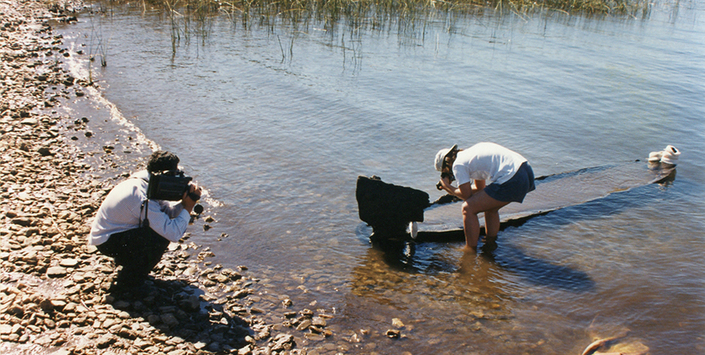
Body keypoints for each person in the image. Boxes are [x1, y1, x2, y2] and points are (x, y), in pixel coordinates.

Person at [88, 151, 202, 289]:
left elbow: (167, 212)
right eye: (175, 174)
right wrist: (189, 207)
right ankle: (128, 283)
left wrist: (185, 202)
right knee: (159, 237)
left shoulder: (146, 181)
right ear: (166, 174)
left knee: (156, 230)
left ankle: (129, 263)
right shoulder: (141, 195)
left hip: (115, 233)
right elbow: (173, 233)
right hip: (107, 242)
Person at [434, 142, 535, 251]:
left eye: (446, 172)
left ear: (447, 164)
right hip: (525, 171)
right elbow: (479, 189)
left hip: (512, 178)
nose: (450, 175)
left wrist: (448, 187)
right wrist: (451, 189)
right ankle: (490, 242)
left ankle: (470, 249)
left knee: (467, 208)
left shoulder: (458, 164)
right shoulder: (471, 155)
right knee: (490, 206)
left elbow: (466, 195)